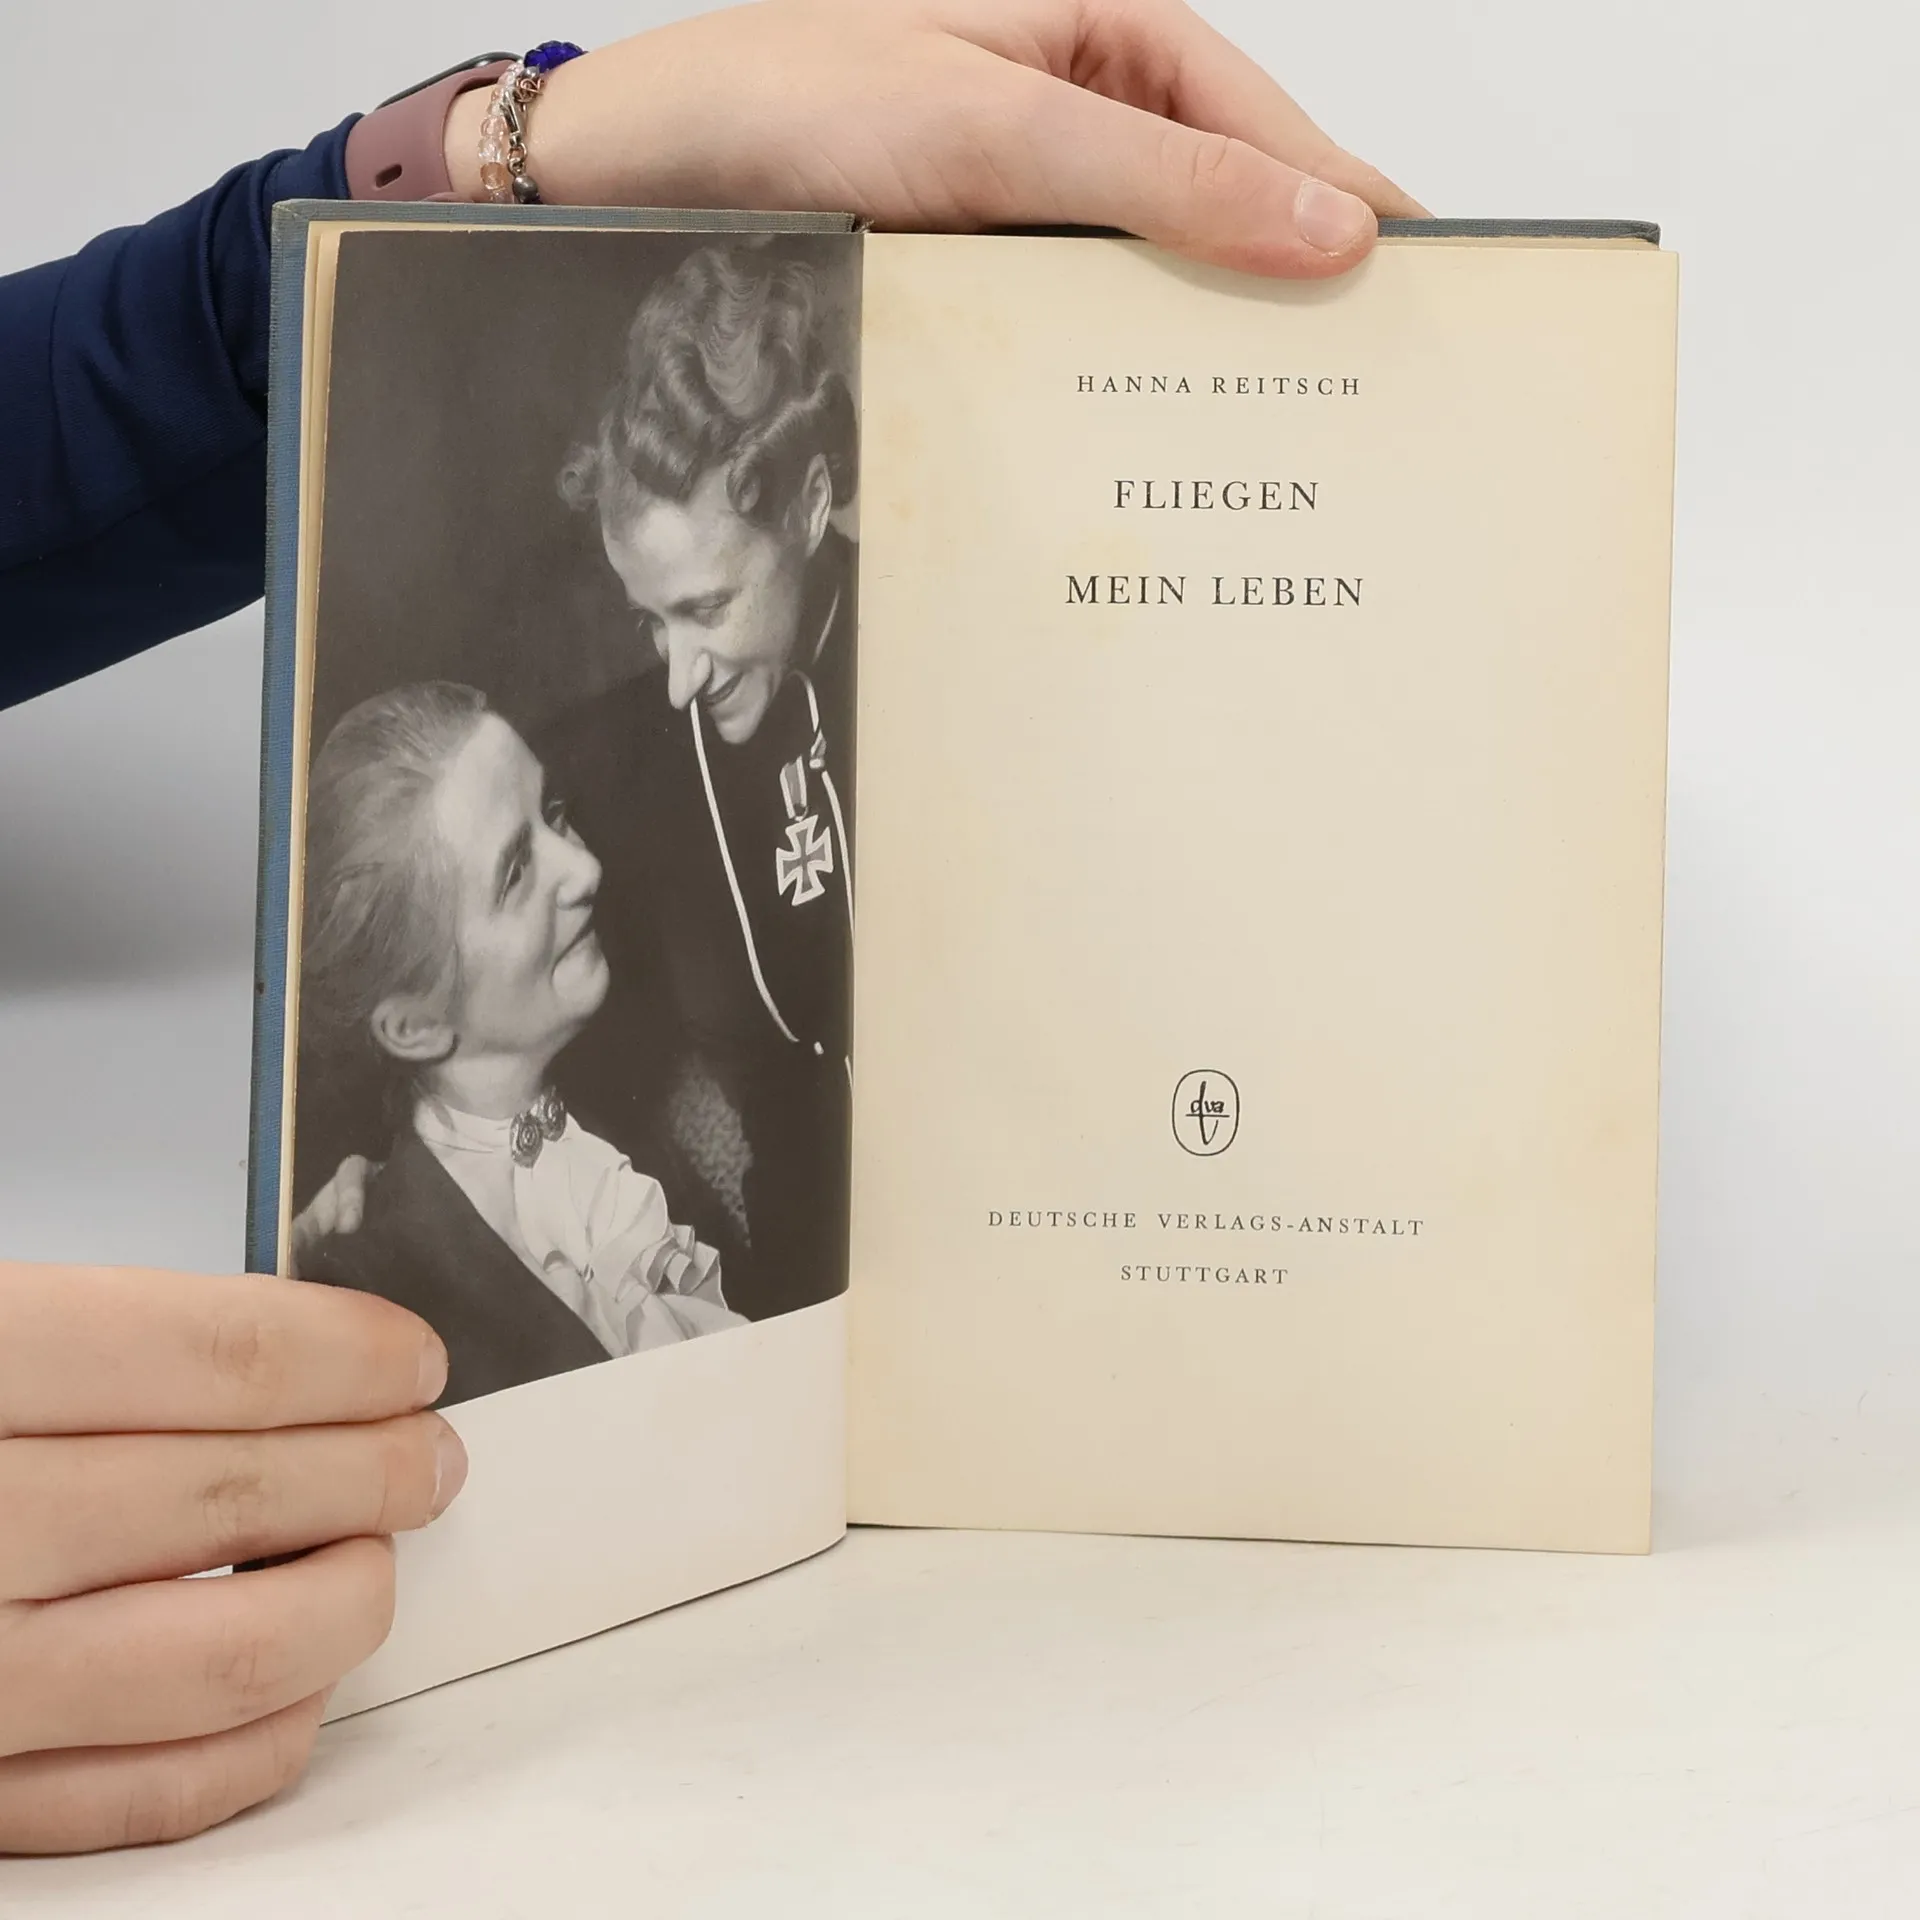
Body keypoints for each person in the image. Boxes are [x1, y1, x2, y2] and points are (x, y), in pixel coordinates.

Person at [0, 0, 1421, 1854]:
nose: (670, 679)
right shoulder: (522, 993)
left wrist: (520, 149)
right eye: (644, 613)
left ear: (818, 503)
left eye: (705, 606)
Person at [295, 683, 743, 1405]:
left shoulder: (638, 1116)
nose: (586, 870)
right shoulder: (382, 1286)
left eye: (554, 813)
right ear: (416, 1026)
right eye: (514, 873)